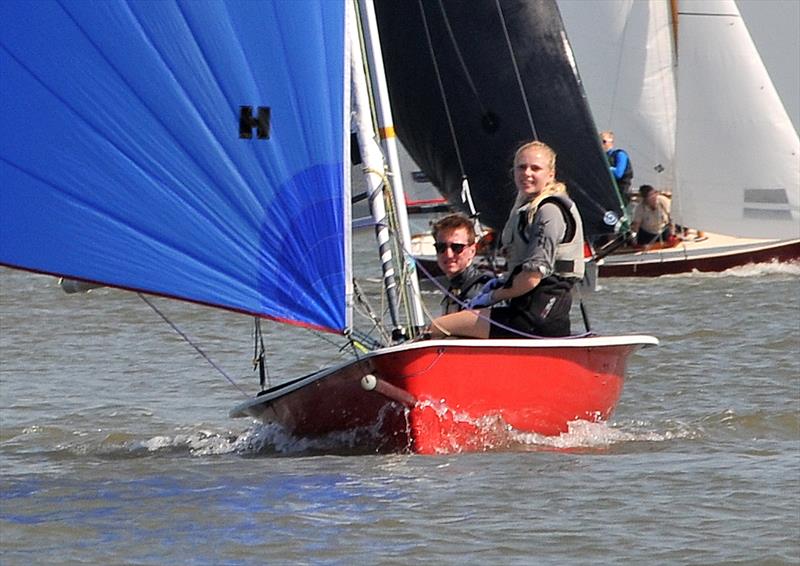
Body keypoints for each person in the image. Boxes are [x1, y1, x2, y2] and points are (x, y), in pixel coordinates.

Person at [427, 141, 584, 339]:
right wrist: (500, 283)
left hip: (535, 318)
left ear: (550, 174)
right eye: (521, 167)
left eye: (535, 168)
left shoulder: (549, 211)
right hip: (527, 311)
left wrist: (491, 297)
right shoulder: (526, 210)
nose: (527, 173)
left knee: (438, 326)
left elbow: (532, 277)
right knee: (457, 326)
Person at [431, 214, 493, 314]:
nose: (449, 254)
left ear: (472, 251)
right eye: (441, 247)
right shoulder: (454, 288)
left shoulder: (483, 291)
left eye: (457, 247)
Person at [601, 131, 633, 202]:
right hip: (608, 193)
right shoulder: (602, 157)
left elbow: (618, 173)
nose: (601, 144)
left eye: (604, 141)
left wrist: (604, 168)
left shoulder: (620, 154)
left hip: (622, 192)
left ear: (611, 142)